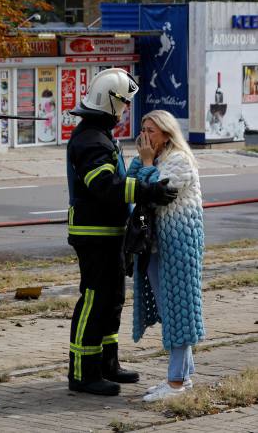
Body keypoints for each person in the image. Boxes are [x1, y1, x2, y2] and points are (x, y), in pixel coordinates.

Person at [66, 68, 178, 396]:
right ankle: (83, 373)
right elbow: (104, 185)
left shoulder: (98, 136)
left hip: (108, 232)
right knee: (94, 299)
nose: (127, 109)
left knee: (112, 297)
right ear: (111, 102)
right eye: (125, 103)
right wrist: (147, 191)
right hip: (93, 233)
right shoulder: (89, 140)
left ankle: (106, 363)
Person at [126, 110, 205, 402]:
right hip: (156, 247)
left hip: (179, 247)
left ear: (168, 134)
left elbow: (156, 192)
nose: (146, 136)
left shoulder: (179, 161)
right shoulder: (155, 159)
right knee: (168, 309)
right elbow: (131, 186)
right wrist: (143, 159)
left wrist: (147, 163)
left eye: (152, 131)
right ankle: (183, 376)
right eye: (143, 130)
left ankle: (175, 384)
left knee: (178, 312)